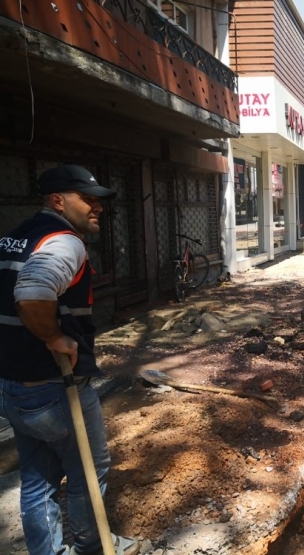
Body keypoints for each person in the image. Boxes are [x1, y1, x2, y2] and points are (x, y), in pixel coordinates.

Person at [0, 165, 140, 555]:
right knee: (87, 473)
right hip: (53, 385)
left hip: (13, 384)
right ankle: (94, 547)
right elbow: (32, 291)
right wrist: (53, 336)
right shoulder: (65, 242)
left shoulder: (14, 238)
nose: (98, 207)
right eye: (87, 198)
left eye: (99, 199)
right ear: (58, 200)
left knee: (37, 480)